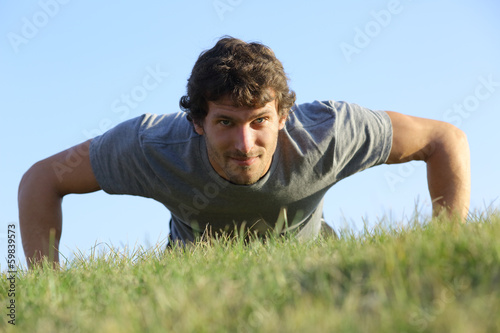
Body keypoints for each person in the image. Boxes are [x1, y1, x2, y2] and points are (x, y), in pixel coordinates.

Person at [18, 37, 471, 268]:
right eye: (225, 123)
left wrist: (445, 253)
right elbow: (42, 178)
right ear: (197, 122)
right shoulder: (153, 147)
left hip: (308, 272)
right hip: (192, 289)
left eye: (259, 121)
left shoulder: (328, 132)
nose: (244, 144)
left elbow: (444, 139)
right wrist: (42, 290)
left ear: (283, 117)